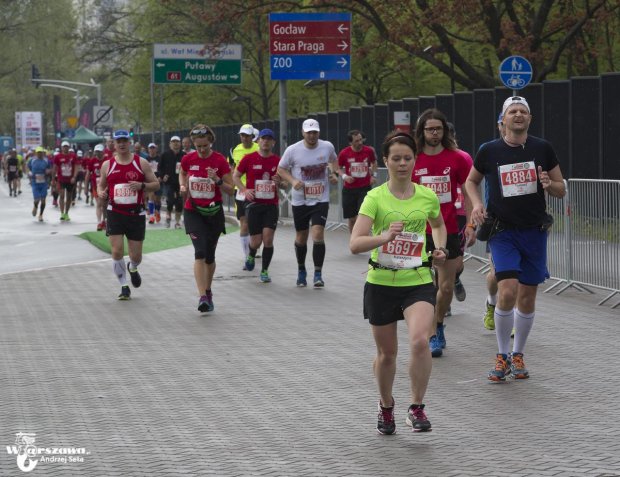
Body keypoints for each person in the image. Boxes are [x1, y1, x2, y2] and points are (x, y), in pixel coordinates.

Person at [350, 130, 448, 435]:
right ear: (385, 161)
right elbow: (355, 243)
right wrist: (385, 237)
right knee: (387, 354)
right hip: (380, 281)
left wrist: (440, 246)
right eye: (396, 158)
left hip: (417, 278)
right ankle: (386, 404)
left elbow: (438, 224)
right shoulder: (375, 197)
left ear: (415, 160)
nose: (402, 164)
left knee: (420, 341)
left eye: (408, 158)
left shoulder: (426, 196)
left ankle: (417, 407)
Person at [464, 96, 566, 382]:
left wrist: (550, 184)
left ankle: (518, 353)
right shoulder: (489, 150)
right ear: (503, 120)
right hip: (502, 230)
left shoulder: (542, 148)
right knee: (507, 289)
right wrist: (475, 204)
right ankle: (502, 354)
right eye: (513, 112)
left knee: (528, 295)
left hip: (534, 230)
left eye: (523, 111)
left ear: (529, 119)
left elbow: (561, 188)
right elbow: (471, 181)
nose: (518, 115)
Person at [412, 109, 474, 357]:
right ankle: (425, 330)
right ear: (422, 132)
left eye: (438, 129)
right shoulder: (412, 158)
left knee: (445, 287)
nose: (434, 133)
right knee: (421, 285)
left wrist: (471, 224)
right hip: (416, 230)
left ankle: (437, 328)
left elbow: (469, 192)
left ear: (444, 131)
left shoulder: (458, 158)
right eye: (430, 129)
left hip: (447, 229)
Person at [97, 129, 159, 300]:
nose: (122, 144)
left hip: (135, 213)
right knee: (116, 252)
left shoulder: (141, 162)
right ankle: (124, 286)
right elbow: (101, 185)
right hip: (115, 212)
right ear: (114, 145)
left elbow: (156, 184)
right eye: (118, 141)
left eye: (124, 141)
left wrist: (142, 186)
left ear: (129, 143)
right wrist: (101, 193)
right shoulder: (107, 165)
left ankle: (133, 267)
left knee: (136, 255)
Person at [178, 124, 233, 312]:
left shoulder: (219, 161)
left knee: (209, 257)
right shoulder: (188, 159)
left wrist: (217, 180)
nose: (201, 150)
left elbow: (231, 190)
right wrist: (183, 185)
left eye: (205, 146)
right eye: (198, 146)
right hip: (193, 211)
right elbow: (183, 172)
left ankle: (208, 291)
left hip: (213, 212)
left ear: (211, 143)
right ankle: (202, 296)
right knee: (199, 252)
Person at [277, 118, 338, 287]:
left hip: (320, 199)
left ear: (319, 133)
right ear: (303, 133)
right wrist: (292, 180)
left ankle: (318, 273)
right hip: (300, 200)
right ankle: (301, 270)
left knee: (317, 234)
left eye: (315, 132)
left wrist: (334, 174)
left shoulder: (327, 146)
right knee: (301, 237)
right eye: (309, 132)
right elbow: (280, 169)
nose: (312, 136)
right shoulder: (293, 150)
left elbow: (334, 160)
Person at [232, 128, 282, 283]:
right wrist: (244, 190)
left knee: (268, 240)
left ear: (273, 142)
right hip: (253, 205)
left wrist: (280, 182)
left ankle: (265, 271)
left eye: (269, 139)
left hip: (271, 205)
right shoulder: (248, 158)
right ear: (258, 141)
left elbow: (285, 183)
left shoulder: (278, 161)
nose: (266, 141)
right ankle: (251, 254)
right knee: (256, 242)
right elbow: (235, 176)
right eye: (263, 138)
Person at [446, 122, 474, 307]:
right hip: (438, 215)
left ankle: (455, 279)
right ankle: (443, 301)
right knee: (437, 261)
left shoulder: (463, 158)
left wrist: (472, 222)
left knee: (456, 264)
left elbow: (471, 187)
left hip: (460, 214)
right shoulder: (427, 157)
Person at [482, 113, 505, 331]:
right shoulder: (489, 150)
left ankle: (510, 317)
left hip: (524, 223)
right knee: (496, 274)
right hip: (497, 222)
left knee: (516, 276)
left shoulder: (531, 150)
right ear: (500, 125)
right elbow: (471, 180)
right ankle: (491, 302)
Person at [229, 124, 260, 268]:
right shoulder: (236, 150)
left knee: (254, 223)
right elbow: (233, 170)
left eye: (247, 135)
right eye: (242, 135)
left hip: (256, 190)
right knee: (244, 223)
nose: (244, 138)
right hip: (240, 190)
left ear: (252, 136)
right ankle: (247, 256)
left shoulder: (258, 148)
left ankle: (254, 247)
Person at [337, 130, 378, 232]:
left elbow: (374, 162)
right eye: (356, 141)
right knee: (352, 218)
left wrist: (373, 175)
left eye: (361, 140)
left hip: (364, 188)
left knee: (362, 215)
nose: (360, 142)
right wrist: (344, 176)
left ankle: (362, 236)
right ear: (350, 143)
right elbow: (338, 168)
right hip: (349, 189)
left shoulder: (368, 151)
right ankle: (353, 238)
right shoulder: (344, 153)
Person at [159, 135, 184, 228]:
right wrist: (162, 176)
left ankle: (177, 221)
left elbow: (188, 168)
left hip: (180, 182)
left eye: (177, 142)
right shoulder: (165, 155)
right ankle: (168, 216)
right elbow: (159, 168)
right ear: (170, 144)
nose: (175, 143)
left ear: (180, 144)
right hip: (169, 182)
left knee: (179, 202)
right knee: (170, 200)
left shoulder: (184, 155)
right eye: (173, 142)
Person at [52, 141, 78, 221]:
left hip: (70, 180)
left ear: (68, 147)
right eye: (64, 146)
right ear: (61, 148)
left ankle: (66, 213)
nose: (65, 148)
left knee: (69, 197)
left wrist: (74, 177)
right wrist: (53, 179)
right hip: (61, 179)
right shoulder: (58, 157)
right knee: (62, 195)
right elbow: (55, 168)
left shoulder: (73, 156)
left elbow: (76, 167)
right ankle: (62, 213)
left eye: (67, 146)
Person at [85, 144, 107, 231]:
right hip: (95, 186)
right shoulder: (92, 161)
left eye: (99, 152)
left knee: (105, 205)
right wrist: (86, 186)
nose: (98, 153)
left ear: (103, 152)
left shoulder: (107, 161)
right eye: (96, 152)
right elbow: (87, 174)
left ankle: (104, 221)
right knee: (99, 204)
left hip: (105, 187)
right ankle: (99, 223)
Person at [27, 147, 51, 221]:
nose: (39, 154)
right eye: (38, 152)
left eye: (41, 152)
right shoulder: (32, 160)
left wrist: (48, 172)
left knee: (43, 200)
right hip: (35, 182)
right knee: (37, 200)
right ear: (36, 153)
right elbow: (27, 168)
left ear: (43, 153)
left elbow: (50, 169)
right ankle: (35, 206)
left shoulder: (46, 161)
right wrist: (29, 174)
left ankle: (40, 215)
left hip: (44, 183)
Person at [146, 143, 162, 224]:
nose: (152, 150)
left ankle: (157, 211)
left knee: (157, 199)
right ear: (148, 149)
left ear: (156, 149)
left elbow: (163, 168)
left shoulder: (160, 158)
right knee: (151, 196)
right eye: (150, 148)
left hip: (158, 180)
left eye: (153, 148)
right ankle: (152, 216)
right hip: (150, 181)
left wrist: (161, 177)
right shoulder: (146, 159)